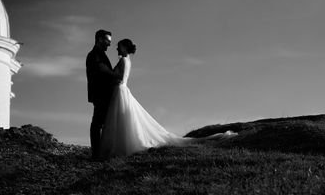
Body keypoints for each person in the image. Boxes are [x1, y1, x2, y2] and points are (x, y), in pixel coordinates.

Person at [99, 38, 235, 160]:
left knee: (121, 119)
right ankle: (120, 144)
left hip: (120, 90)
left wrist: (107, 72)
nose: (117, 48)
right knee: (122, 119)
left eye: (119, 46)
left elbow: (121, 79)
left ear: (123, 47)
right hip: (121, 90)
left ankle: (120, 146)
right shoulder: (127, 60)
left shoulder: (123, 60)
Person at [86, 29, 122, 160]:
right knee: (97, 123)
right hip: (100, 94)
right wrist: (116, 75)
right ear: (100, 39)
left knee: (101, 122)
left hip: (104, 93)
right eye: (108, 41)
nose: (109, 44)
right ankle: (96, 153)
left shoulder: (100, 54)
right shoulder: (94, 55)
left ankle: (101, 152)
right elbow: (102, 71)